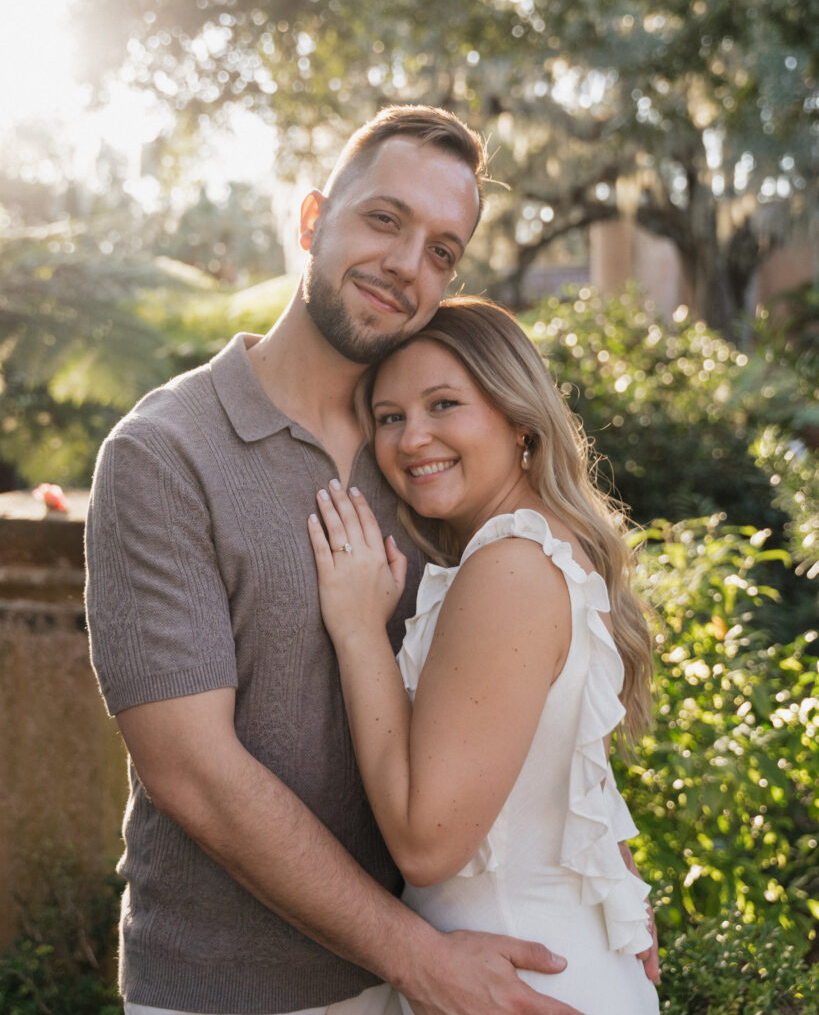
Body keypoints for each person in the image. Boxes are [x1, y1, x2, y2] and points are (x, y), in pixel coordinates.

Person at [85, 106, 596, 1015]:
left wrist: (606, 883)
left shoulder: (425, 448)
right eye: (385, 220)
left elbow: (527, 666)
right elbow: (193, 772)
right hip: (230, 990)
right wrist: (418, 959)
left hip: (431, 973)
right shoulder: (165, 455)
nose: (408, 265)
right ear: (314, 221)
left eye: (443, 250)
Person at [306, 297, 661, 1015]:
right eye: (390, 416)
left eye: (443, 404)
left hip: (517, 980)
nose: (412, 440)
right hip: (541, 967)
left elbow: (425, 844)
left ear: (517, 416)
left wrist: (356, 632)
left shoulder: (506, 567)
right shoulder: (547, 548)